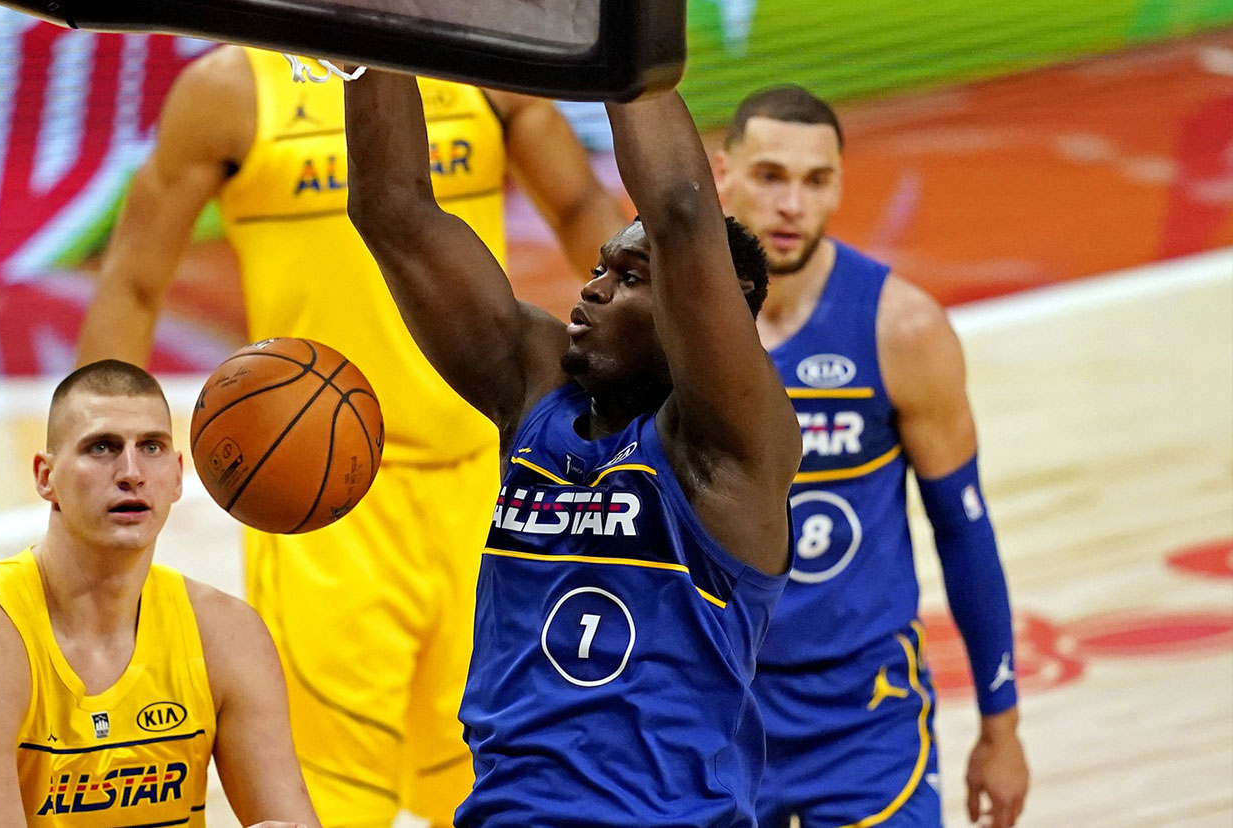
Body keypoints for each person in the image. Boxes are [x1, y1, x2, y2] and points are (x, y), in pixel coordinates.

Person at [75, 45, 626, 828]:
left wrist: (663, 358)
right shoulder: (228, 89)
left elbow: (580, 212)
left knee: (504, 780)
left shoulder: (478, 60)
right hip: (324, 510)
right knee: (331, 800)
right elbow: (133, 281)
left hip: (493, 488)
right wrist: (99, 448)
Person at [341, 68, 802, 828]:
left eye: (631, 278)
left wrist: (618, 37)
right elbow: (393, 212)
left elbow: (682, 213)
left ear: (703, 312)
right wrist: (365, 36)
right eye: (598, 269)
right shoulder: (534, 394)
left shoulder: (730, 450)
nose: (591, 290)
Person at [711, 84, 1031, 828]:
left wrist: (1002, 727)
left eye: (815, 180)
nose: (792, 205)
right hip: (715, 706)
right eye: (769, 176)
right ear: (723, 174)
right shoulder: (667, 326)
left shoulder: (903, 329)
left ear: (839, 186)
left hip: (865, 716)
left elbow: (964, 531)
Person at [0, 359, 319, 828]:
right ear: (46, 476)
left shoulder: (227, 637)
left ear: (177, 476)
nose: (131, 472)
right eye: (102, 447)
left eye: (151, 447)